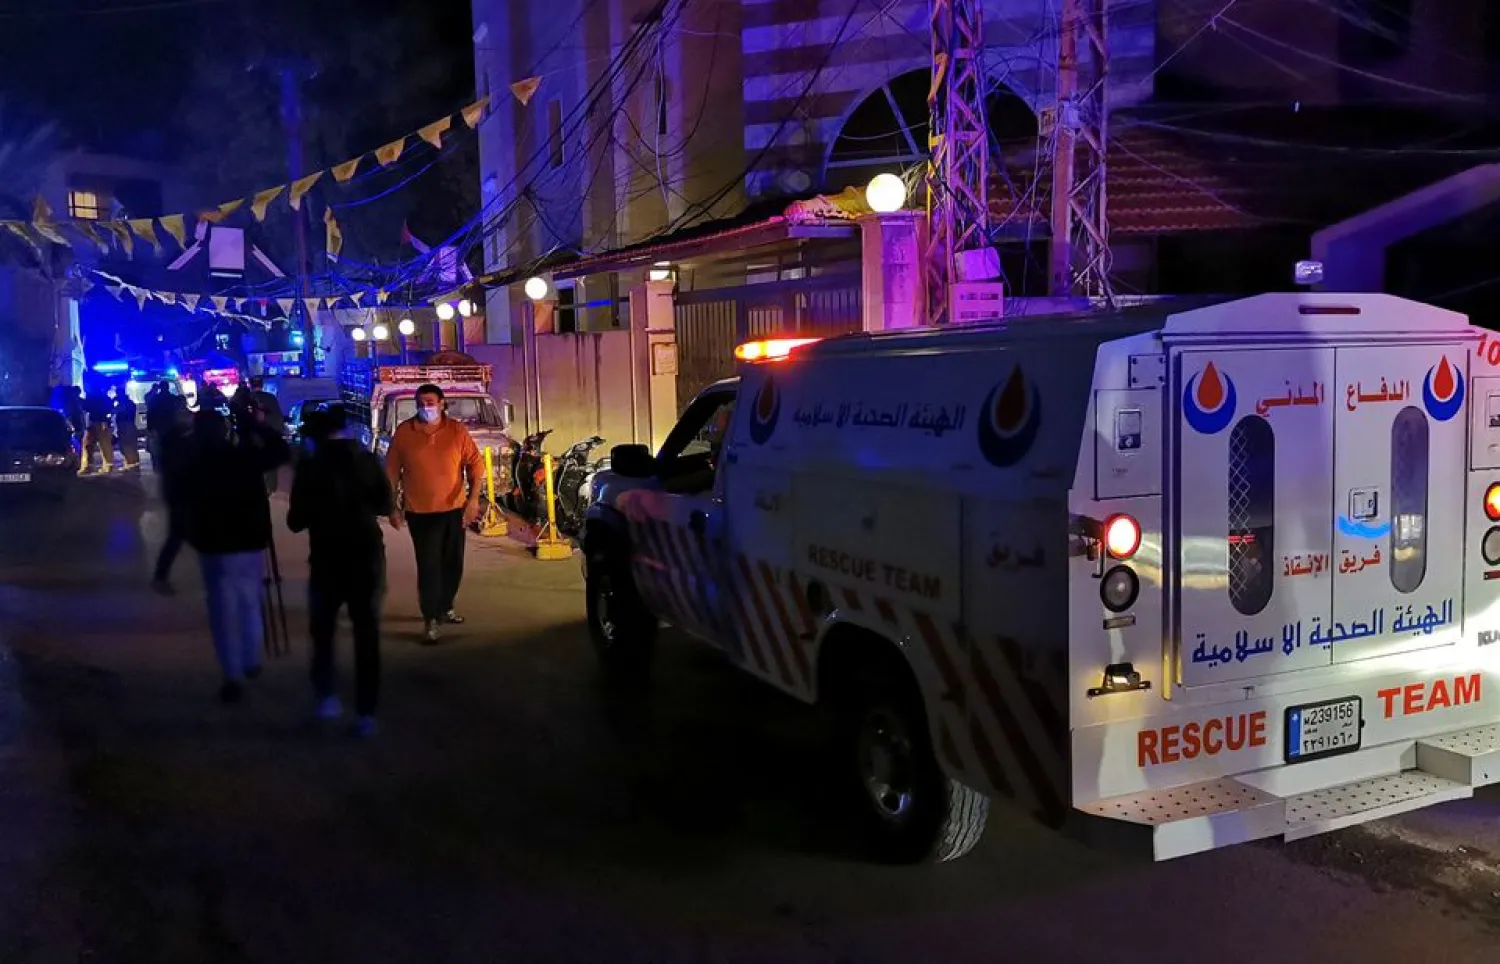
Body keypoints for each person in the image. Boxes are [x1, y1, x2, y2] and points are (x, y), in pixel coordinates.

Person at [287, 405, 392, 736]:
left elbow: (295, 521)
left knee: (324, 631)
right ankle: (366, 713)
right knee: (366, 633)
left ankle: (327, 698)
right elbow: (385, 505)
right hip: (366, 555)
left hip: (327, 557)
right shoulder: (367, 460)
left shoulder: (309, 467)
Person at [182, 405, 290, 702]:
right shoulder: (242, 457)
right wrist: (254, 427)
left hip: (215, 548)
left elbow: (183, 507)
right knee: (250, 603)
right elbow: (280, 451)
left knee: (222, 612)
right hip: (249, 543)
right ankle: (250, 660)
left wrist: (193, 537)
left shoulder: (193, 463)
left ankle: (232, 675)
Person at [385, 383, 483, 644]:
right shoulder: (405, 433)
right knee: (429, 566)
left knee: (453, 565)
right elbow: (392, 471)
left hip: (454, 510)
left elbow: (475, 464)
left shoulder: (456, 431)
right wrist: (392, 506)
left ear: (442, 404)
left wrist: (473, 500)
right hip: (420, 512)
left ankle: (445, 607)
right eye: (421, 402)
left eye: (430, 402)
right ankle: (430, 620)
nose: (426, 407)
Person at [151, 407, 195, 594]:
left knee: (179, 535)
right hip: (181, 494)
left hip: (177, 493)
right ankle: (160, 577)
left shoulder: (172, 438)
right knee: (178, 535)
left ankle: (161, 577)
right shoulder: (178, 440)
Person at [83, 386, 115, 473]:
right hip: (100, 422)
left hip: (95, 422)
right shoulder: (105, 398)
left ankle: (88, 466)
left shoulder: (92, 398)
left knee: (89, 445)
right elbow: (110, 409)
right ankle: (108, 465)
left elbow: (85, 407)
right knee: (104, 445)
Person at [114, 388, 140, 469]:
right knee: (131, 444)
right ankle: (134, 462)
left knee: (125, 444)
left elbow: (114, 410)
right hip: (129, 425)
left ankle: (130, 463)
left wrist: (112, 402)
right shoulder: (129, 402)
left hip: (125, 426)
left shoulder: (124, 403)